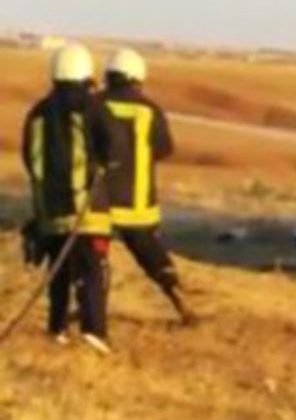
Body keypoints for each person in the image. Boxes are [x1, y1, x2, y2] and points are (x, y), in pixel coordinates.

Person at [21, 44, 115, 353]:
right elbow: (112, 148)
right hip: (87, 210)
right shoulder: (92, 107)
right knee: (91, 269)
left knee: (58, 270)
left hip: (50, 211)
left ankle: (57, 327)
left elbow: (29, 158)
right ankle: (94, 329)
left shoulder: (37, 112)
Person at [99, 47, 193, 324]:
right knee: (151, 254)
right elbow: (165, 148)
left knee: (94, 257)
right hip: (139, 204)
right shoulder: (150, 109)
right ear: (138, 77)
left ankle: (92, 310)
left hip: (100, 202)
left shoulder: (94, 105)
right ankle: (176, 295)